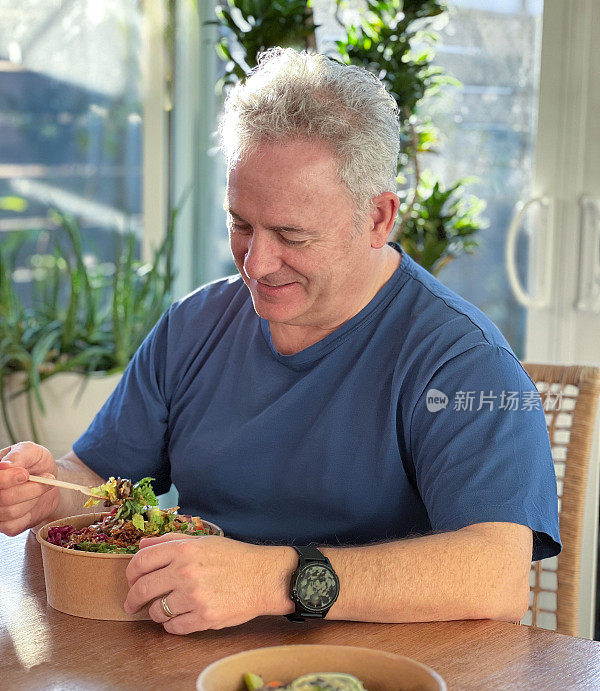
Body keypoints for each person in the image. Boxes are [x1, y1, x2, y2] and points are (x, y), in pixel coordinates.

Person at [0, 49, 560, 634]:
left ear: (378, 218)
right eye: (241, 224)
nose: (257, 264)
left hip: (377, 689)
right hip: (186, 665)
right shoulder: (194, 325)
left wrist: (268, 580)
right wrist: (47, 495)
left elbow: (495, 577)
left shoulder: (464, 362)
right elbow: (94, 480)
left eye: (292, 234)